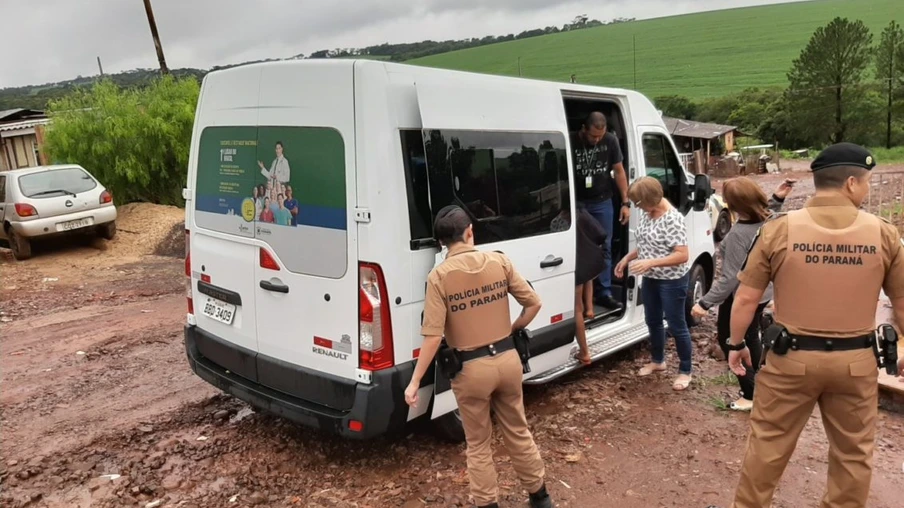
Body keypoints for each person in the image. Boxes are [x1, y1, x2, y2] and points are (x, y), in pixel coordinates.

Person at [723, 143, 904, 508]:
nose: (866, 190)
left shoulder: (779, 230)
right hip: (855, 364)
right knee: (852, 456)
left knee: (768, 446)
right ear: (851, 183)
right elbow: (901, 302)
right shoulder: (884, 234)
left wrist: (736, 343)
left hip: (791, 361)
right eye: (866, 182)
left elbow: (745, 298)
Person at [403, 205, 553, 508]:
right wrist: (512, 329)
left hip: (470, 370)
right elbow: (534, 304)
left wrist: (415, 381)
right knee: (518, 431)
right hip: (508, 360)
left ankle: (488, 504)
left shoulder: (439, 277)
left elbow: (433, 337)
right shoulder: (498, 262)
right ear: (470, 231)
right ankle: (540, 497)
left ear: (442, 242)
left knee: (479, 444)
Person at [690, 177, 795, 411]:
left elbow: (730, 278)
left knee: (731, 340)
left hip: (743, 297)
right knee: (751, 334)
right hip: (765, 291)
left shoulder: (738, 234)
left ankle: (750, 394)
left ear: (732, 205)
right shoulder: (769, 219)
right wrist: (777, 198)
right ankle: (759, 380)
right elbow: (763, 210)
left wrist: (704, 303)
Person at [614, 177, 693, 390]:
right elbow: (647, 243)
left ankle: (685, 370)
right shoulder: (650, 215)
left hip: (672, 280)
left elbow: (682, 255)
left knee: (677, 325)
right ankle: (658, 361)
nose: (637, 208)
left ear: (649, 199)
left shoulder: (673, 219)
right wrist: (626, 259)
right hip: (651, 278)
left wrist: (651, 263)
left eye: (637, 203)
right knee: (652, 320)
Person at [572, 112, 630, 310]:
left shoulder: (610, 140)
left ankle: (603, 292)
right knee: (577, 248)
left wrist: (625, 202)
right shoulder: (571, 140)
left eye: (600, 136)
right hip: (577, 202)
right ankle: (576, 296)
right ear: (583, 129)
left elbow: (620, 171)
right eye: (593, 136)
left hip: (602, 201)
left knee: (604, 245)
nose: (597, 140)